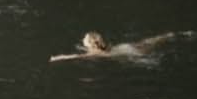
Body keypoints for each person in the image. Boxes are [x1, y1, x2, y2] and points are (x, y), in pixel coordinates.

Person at [49, 31, 181, 62]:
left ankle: (167, 37)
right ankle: (168, 35)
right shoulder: (103, 48)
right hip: (126, 47)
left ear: (90, 44)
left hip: (133, 53)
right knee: (149, 41)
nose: (82, 39)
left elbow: (76, 56)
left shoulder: (95, 53)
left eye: (85, 38)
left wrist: (57, 58)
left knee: (147, 52)